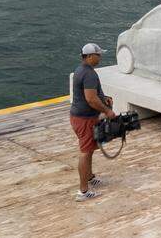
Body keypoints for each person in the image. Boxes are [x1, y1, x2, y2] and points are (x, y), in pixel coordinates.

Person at [70, 43, 116, 202]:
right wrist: (107, 111)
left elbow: (92, 95)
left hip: (80, 117)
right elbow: (90, 99)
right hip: (84, 119)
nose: (100, 57)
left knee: (88, 148)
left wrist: (104, 98)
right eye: (98, 55)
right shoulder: (89, 74)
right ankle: (83, 191)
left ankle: (89, 177)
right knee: (85, 151)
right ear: (89, 56)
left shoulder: (80, 70)